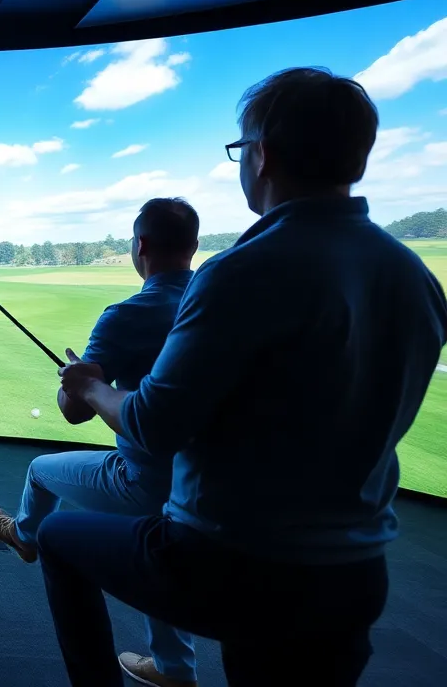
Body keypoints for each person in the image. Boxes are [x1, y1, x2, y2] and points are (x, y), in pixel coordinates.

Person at [46, 67, 447, 686]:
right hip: (357, 571)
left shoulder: (242, 271)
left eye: (240, 149)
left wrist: (92, 388)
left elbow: (154, 425)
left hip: (233, 560)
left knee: (57, 535)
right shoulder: (411, 274)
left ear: (262, 156)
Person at [0, 198, 201, 687]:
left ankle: (25, 534)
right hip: (204, 481)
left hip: (143, 477)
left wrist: (73, 380)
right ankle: (173, 669)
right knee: (156, 542)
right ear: (193, 246)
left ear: (139, 246)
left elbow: (76, 411)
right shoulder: (210, 301)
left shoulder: (127, 313)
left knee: (41, 470)